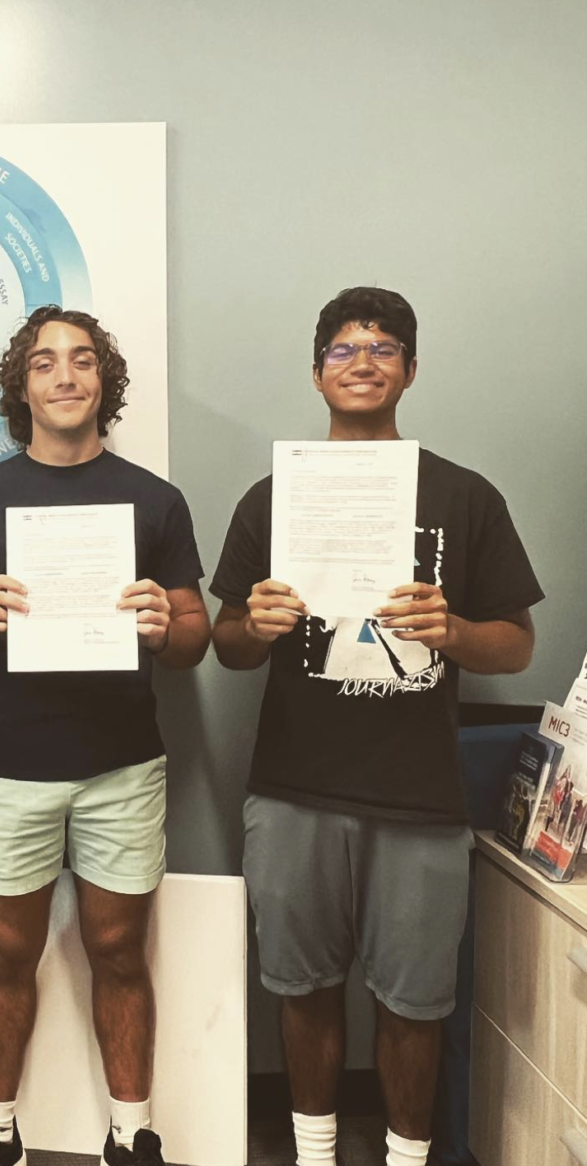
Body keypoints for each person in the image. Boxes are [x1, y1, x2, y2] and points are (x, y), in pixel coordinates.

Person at [210, 286, 543, 1166]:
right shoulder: (269, 498)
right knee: (301, 986)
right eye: (343, 350)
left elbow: (515, 645)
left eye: (383, 348)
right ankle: (314, 1154)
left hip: (419, 796)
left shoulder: (465, 497)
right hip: (293, 789)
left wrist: (457, 632)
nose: (362, 362)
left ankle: (404, 1158)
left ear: (411, 371)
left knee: (415, 1001)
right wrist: (257, 622)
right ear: (316, 373)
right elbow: (225, 647)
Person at [0, 306, 211, 1166]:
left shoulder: (156, 500)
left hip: (122, 766)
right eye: (45, 363)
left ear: (103, 381)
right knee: (6, 955)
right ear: (22, 386)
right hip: (11, 767)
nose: (66, 376)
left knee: (119, 950)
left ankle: (133, 1134)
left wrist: (167, 624)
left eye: (82, 361)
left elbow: (197, 639)